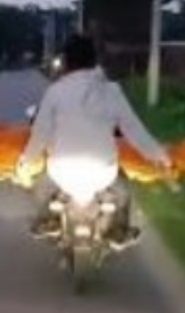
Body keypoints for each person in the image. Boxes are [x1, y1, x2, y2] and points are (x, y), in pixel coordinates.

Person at [16, 35, 170, 241]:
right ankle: (120, 229)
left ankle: (47, 219)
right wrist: (159, 155)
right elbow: (133, 129)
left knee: (40, 184)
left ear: (66, 63)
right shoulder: (112, 91)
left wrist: (25, 163)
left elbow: (40, 134)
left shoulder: (55, 91)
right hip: (103, 173)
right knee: (123, 190)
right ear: (94, 60)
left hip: (62, 172)